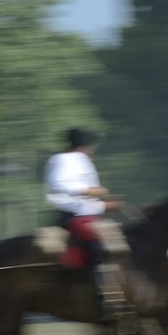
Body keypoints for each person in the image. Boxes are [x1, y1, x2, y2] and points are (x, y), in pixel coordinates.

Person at [45, 126, 125, 315]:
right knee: (99, 250)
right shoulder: (63, 159)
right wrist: (90, 191)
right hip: (72, 217)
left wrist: (104, 205)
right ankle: (104, 299)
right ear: (85, 145)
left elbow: (85, 201)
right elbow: (59, 185)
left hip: (86, 215)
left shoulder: (80, 160)